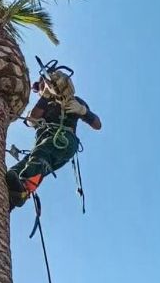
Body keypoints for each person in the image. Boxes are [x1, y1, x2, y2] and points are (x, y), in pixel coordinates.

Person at [6, 68, 101, 211]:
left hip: (64, 141)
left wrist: (83, 111)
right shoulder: (43, 103)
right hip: (42, 146)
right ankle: (9, 199)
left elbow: (97, 125)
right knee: (15, 171)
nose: (44, 87)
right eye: (41, 85)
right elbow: (32, 120)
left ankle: (24, 187)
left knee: (40, 155)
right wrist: (45, 98)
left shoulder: (74, 101)